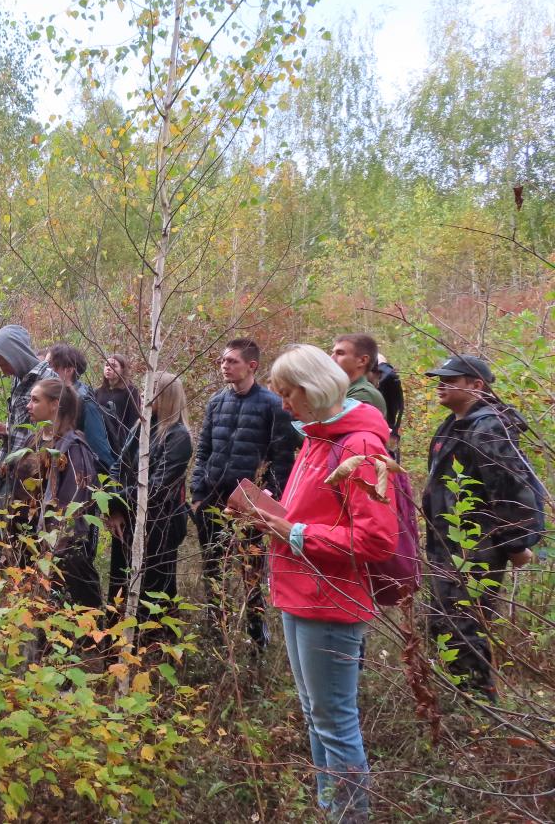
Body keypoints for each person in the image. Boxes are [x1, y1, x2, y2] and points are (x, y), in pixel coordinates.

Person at [235, 344, 396, 822]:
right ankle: (332, 808)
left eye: (287, 394)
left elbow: (376, 538)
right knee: (315, 714)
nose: (282, 404)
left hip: (331, 600)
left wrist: (296, 532)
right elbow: (316, 510)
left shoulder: (359, 446)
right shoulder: (317, 438)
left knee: (335, 722)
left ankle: (350, 815)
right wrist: (273, 510)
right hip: (299, 590)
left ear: (312, 389)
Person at [421, 354, 541, 700]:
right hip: (448, 545)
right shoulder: (453, 423)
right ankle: (462, 703)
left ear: (477, 385)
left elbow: (509, 489)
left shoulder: (489, 426)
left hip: (476, 547)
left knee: (462, 628)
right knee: (443, 624)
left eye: (451, 379)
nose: (441, 384)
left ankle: (479, 711)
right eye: (440, 378)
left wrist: (516, 544)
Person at [190, 337, 298, 648]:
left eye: (232, 361)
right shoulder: (216, 402)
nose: (225, 366)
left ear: (252, 365)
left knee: (251, 567)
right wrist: (198, 493)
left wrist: (269, 497)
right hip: (213, 496)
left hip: (250, 500)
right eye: (223, 360)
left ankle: (256, 632)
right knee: (212, 564)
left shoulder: (272, 404)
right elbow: (204, 450)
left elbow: (282, 457)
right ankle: (216, 630)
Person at [2, 378, 103, 608]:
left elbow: (71, 511)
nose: (28, 405)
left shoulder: (73, 448)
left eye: (35, 400)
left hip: (57, 559)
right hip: (26, 547)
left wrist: (50, 557)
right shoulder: (34, 439)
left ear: (55, 404)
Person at [106, 372, 192, 633]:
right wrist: (114, 510)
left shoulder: (178, 437)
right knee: (121, 585)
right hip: (128, 520)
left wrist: (118, 501)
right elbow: (115, 470)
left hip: (159, 526)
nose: (143, 394)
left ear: (166, 394)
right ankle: (116, 652)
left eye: (150, 389)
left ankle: (154, 651)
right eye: (143, 388)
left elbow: (155, 490)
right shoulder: (140, 427)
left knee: (154, 592)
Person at [0, 325, 59, 572]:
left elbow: (50, 431)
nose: (1, 368)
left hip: (26, 478)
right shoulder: (21, 378)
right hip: (8, 468)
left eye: (2, 361)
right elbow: (27, 426)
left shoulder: (48, 381)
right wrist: (7, 428)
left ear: (14, 353)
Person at [47, 343, 116, 474]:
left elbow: (100, 452)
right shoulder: (56, 398)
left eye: (50, 365)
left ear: (68, 370)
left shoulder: (84, 402)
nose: (45, 370)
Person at [330, 334, 387, 419]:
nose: (331, 358)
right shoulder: (344, 389)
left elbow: (332, 426)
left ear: (362, 360)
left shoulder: (363, 394)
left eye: (340, 353)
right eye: (333, 352)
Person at [96, 353, 141, 459]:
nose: (108, 368)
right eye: (107, 365)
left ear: (122, 369)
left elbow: (133, 422)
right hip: (101, 442)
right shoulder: (98, 392)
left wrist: (128, 447)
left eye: (113, 366)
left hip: (120, 444)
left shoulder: (131, 391)